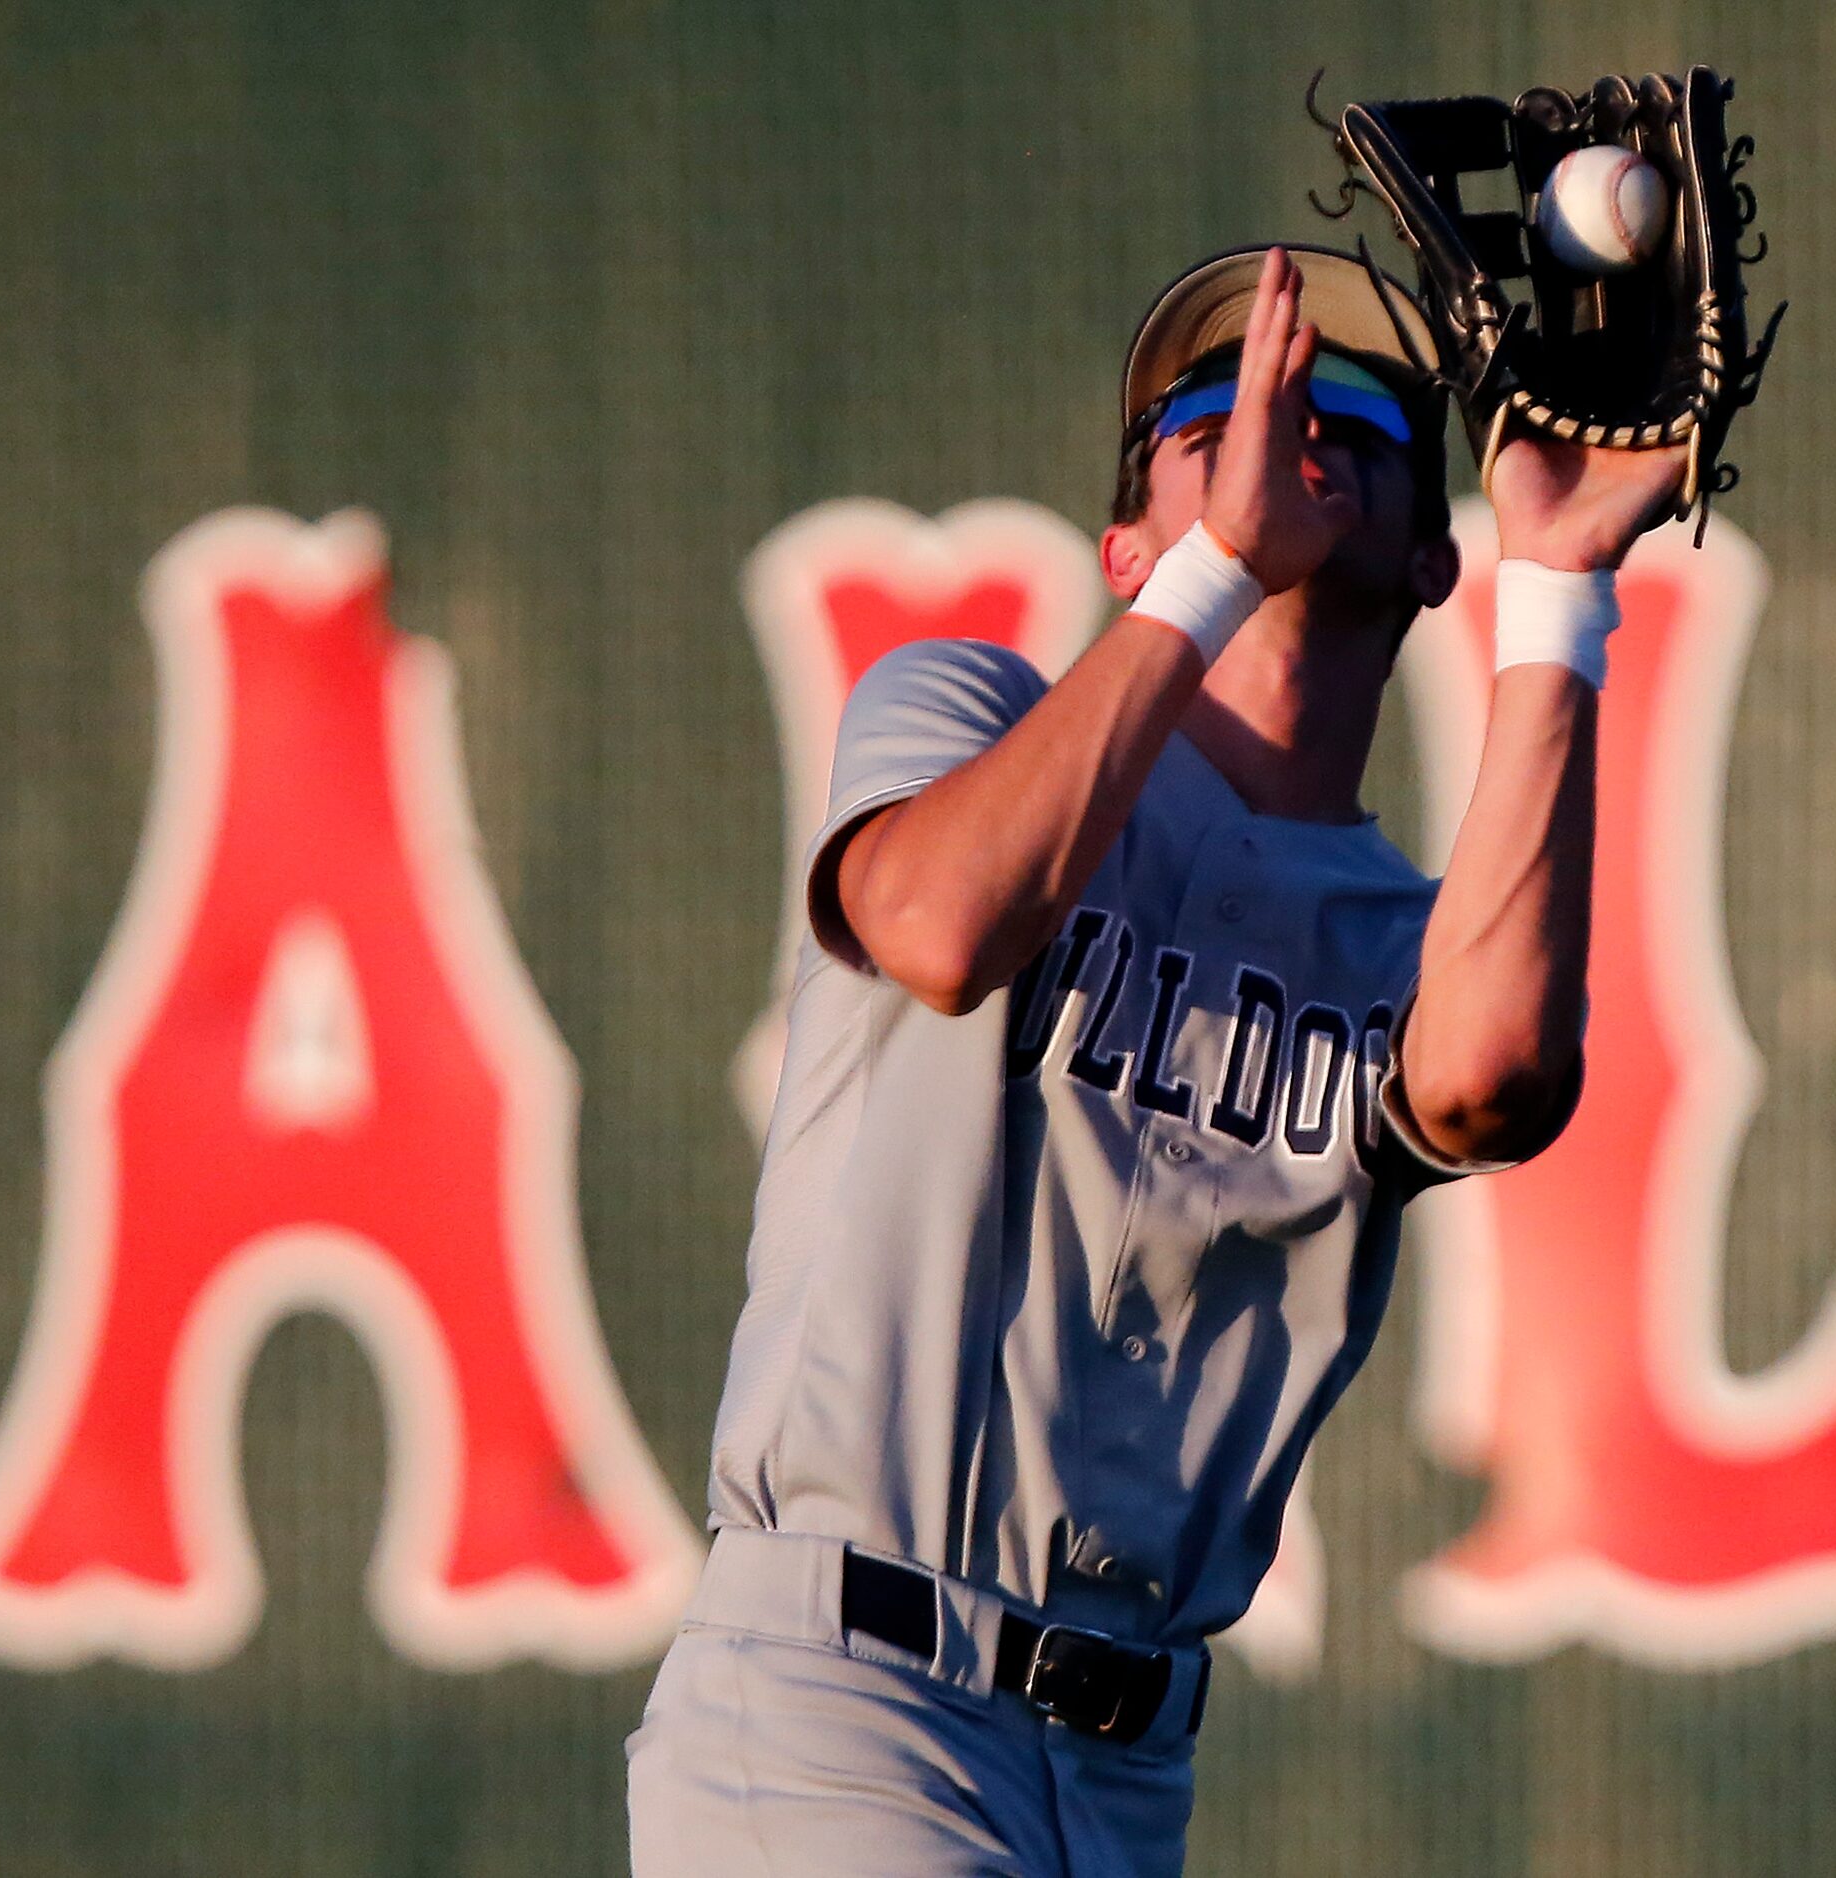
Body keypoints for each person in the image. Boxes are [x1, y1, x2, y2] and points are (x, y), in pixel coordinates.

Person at [625, 245, 1691, 1877]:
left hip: (1122, 1782)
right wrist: (1209, 578)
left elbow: (1493, 1081)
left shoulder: (1406, 940)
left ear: (1426, 557)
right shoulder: (967, 711)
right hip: (842, 1700)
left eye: (1355, 409)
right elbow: (936, 918)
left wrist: (1555, 587)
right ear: (1131, 539)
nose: (1287, 408)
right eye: (1214, 408)